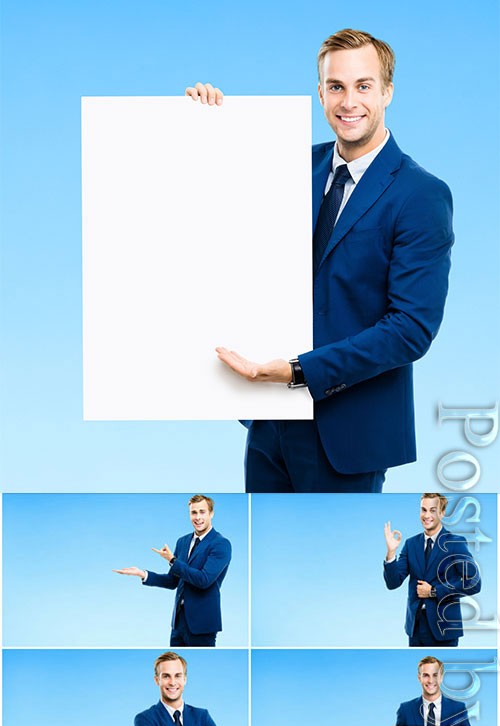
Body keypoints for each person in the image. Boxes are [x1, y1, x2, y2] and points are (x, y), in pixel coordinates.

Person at [186, 28, 454, 493]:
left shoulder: (421, 195)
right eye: (336, 87)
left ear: (388, 91)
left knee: (330, 558)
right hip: (269, 423)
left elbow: (411, 328)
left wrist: (297, 372)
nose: (349, 101)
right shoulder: (289, 166)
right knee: (263, 558)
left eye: (363, 86)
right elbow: (213, 207)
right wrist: (205, 124)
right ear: (321, 93)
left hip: (349, 430)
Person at [114, 494, 232, 646]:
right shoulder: (182, 542)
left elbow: (204, 580)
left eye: (202, 512)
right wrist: (143, 574)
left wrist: (172, 560)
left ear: (211, 513)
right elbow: (172, 581)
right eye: (193, 512)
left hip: (202, 624)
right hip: (178, 623)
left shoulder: (221, 544)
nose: (198, 517)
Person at [383, 495, 481, 647]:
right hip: (415, 628)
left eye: (433, 510)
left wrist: (434, 591)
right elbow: (393, 582)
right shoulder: (411, 544)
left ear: (442, 513)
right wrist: (391, 553)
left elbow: (474, 583)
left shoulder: (455, 542)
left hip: (444, 628)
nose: (427, 515)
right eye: (423, 510)